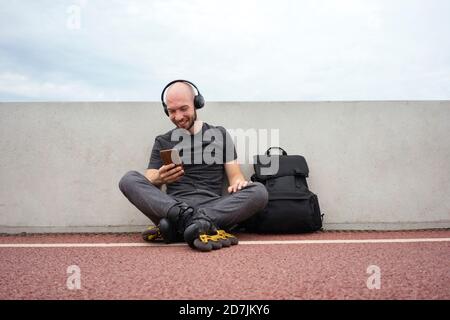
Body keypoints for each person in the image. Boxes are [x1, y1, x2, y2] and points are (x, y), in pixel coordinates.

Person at [119, 80, 268, 252]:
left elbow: (235, 176)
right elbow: (147, 179)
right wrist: (159, 177)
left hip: (213, 206)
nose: (178, 116)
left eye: (184, 109)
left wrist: (239, 183)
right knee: (128, 180)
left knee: (259, 191)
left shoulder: (219, 134)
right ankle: (196, 223)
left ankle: (181, 227)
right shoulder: (163, 140)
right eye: (172, 111)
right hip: (174, 207)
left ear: (197, 104)